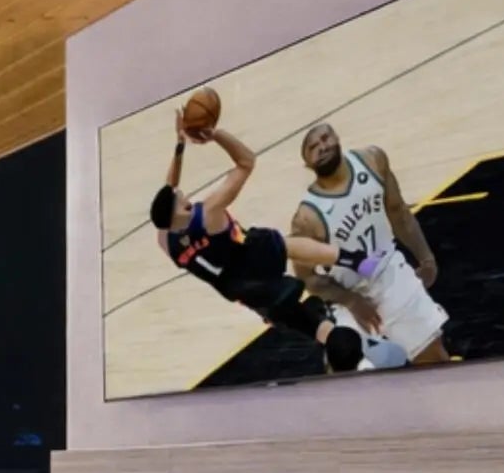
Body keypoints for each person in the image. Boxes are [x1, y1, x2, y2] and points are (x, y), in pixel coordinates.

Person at [151, 123, 381, 373]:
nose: (181, 192)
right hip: (253, 255)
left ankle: (346, 358)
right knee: (286, 244)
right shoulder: (208, 213)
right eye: (178, 195)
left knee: (303, 320)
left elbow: (167, 193)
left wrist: (179, 147)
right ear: (177, 206)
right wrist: (215, 134)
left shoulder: (167, 242)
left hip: (244, 290)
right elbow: (246, 162)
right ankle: (356, 261)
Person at [291, 122, 452, 366]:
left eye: (325, 138)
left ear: (337, 138)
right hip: (348, 293)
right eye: (313, 147)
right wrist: (351, 300)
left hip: (391, 274)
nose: (322, 147)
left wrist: (426, 257)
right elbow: (307, 278)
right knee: (348, 371)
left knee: (435, 361)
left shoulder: (372, 161)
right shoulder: (307, 217)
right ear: (307, 163)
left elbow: (399, 213)